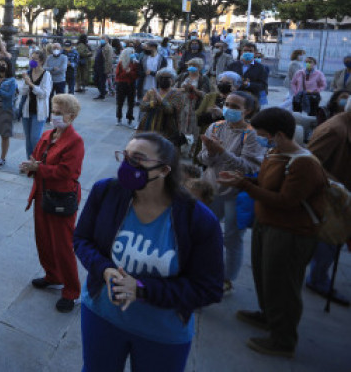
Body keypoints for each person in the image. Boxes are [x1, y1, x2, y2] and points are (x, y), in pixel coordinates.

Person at [75, 133, 224, 371]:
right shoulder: (106, 192)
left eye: (137, 159)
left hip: (162, 333)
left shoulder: (198, 220)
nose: (127, 165)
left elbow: (209, 288)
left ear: (164, 170)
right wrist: (105, 270)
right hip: (101, 315)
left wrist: (142, 289)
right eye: (125, 156)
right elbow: (82, 239)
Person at [218, 107, 327, 359]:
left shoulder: (304, 164)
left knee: (283, 285)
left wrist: (244, 185)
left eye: (264, 134)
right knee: (265, 275)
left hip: (291, 232)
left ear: (279, 134)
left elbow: (286, 201)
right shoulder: (275, 153)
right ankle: (268, 315)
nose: (260, 138)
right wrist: (244, 179)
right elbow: (266, 183)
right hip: (267, 224)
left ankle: (283, 339)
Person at [21, 94, 85, 313]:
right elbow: (37, 156)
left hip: (61, 199)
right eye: (53, 110)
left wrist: (39, 168)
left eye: (59, 112)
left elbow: (69, 171)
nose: (54, 115)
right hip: (42, 194)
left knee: (62, 244)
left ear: (72, 116)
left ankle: (72, 290)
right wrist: (31, 165)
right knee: (44, 239)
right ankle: (52, 275)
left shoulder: (75, 141)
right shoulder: (48, 134)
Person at [198, 91, 265, 292]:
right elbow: (203, 159)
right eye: (227, 104)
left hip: (235, 191)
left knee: (232, 238)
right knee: (201, 229)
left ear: (248, 110)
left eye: (235, 106)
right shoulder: (215, 127)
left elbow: (249, 167)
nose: (229, 109)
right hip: (211, 186)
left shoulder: (252, 134)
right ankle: (199, 267)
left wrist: (222, 152)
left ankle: (227, 278)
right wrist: (210, 152)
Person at [304, 97, 351, 307]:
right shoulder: (335, 129)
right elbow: (311, 161)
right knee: (329, 239)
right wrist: (338, 187)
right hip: (330, 197)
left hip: (338, 195)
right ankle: (318, 279)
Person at [137, 69, 191, 147]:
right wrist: (152, 103)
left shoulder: (177, 94)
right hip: (149, 126)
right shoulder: (152, 92)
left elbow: (170, 110)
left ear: (172, 80)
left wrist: (160, 100)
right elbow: (142, 107)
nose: (163, 80)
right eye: (161, 78)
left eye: (167, 78)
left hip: (167, 130)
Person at [20, 50, 52, 159]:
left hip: (39, 111)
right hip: (27, 110)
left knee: (35, 138)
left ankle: (37, 161)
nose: (32, 61)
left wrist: (31, 84)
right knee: (28, 138)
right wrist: (25, 83)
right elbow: (23, 92)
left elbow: (44, 94)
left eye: (35, 59)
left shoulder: (46, 75)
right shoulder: (28, 73)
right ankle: (29, 161)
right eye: (31, 58)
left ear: (42, 61)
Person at [114, 47, 139, 128]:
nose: (133, 54)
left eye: (133, 52)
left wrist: (130, 72)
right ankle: (119, 118)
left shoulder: (135, 63)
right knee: (120, 102)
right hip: (121, 84)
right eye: (131, 53)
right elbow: (118, 76)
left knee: (131, 103)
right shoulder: (121, 63)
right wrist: (126, 72)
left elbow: (136, 75)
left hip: (131, 85)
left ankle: (130, 119)